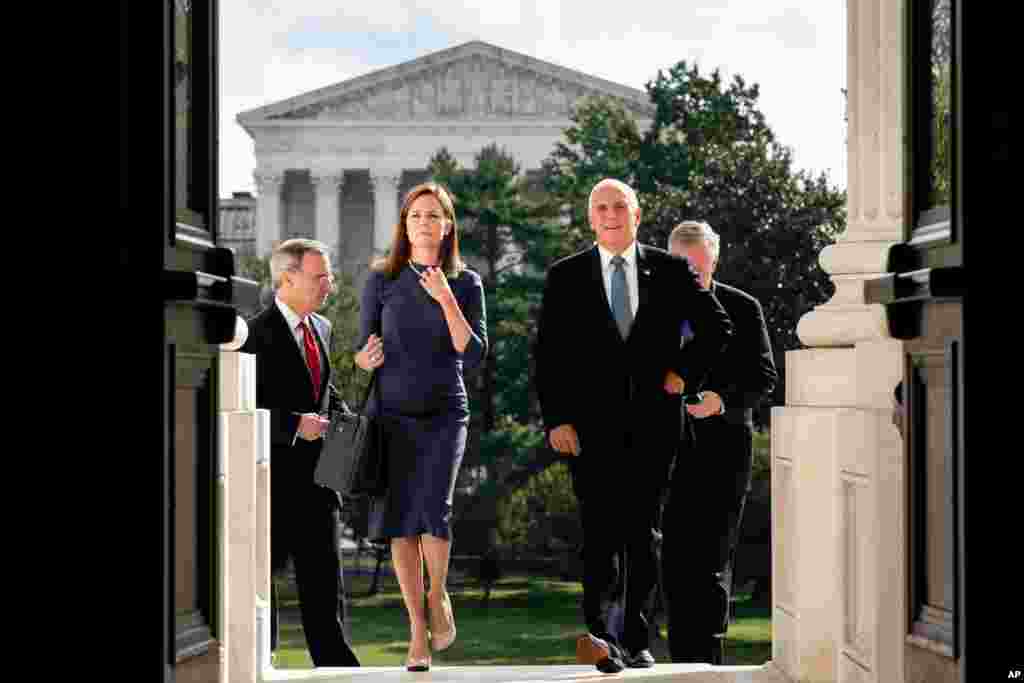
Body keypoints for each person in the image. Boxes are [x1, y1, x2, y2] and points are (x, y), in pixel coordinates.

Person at [535, 179, 733, 673]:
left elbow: (717, 328)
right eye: (600, 207)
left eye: (618, 206)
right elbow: (548, 356)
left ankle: (637, 638)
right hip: (588, 429)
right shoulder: (567, 276)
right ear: (590, 218)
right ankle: (599, 637)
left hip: (653, 426)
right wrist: (556, 419)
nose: (609, 214)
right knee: (599, 532)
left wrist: (683, 374)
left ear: (637, 215)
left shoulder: (669, 270)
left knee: (642, 535)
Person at [353, 182, 487, 672]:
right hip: (391, 415)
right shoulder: (381, 280)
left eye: (434, 215)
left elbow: (471, 353)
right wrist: (364, 360)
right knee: (400, 523)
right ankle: (416, 627)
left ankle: (439, 595)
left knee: (435, 509)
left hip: (445, 413)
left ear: (447, 225)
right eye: (416, 216)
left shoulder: (466, 282)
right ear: (404, 225)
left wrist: (447, 299)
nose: (425, 223)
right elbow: (361, 349)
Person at [221, 238, 361, 668]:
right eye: (321, 277)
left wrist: (344, 417)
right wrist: (295, 424)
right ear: (288, 278)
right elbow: (243, 406)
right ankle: (263, 662)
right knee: (263, 581)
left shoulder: (322, 327)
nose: (330, 285)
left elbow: (322, 390)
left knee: (326, 584)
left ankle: (338, 668)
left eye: (330, 276)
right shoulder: (254, 334)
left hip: (321, 479)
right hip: (272, 483)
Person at [661, 221, 778, 664]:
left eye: (698, 262)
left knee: (711, 560)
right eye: (680, 263)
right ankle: (679, 663)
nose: (690, 271)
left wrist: (722, 401)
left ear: (715, 258)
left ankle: (708, 661)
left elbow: (764, 376)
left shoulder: (743, 308)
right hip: (667, 451)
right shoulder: (654, 312)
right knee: (671, 560)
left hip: (725, 452)